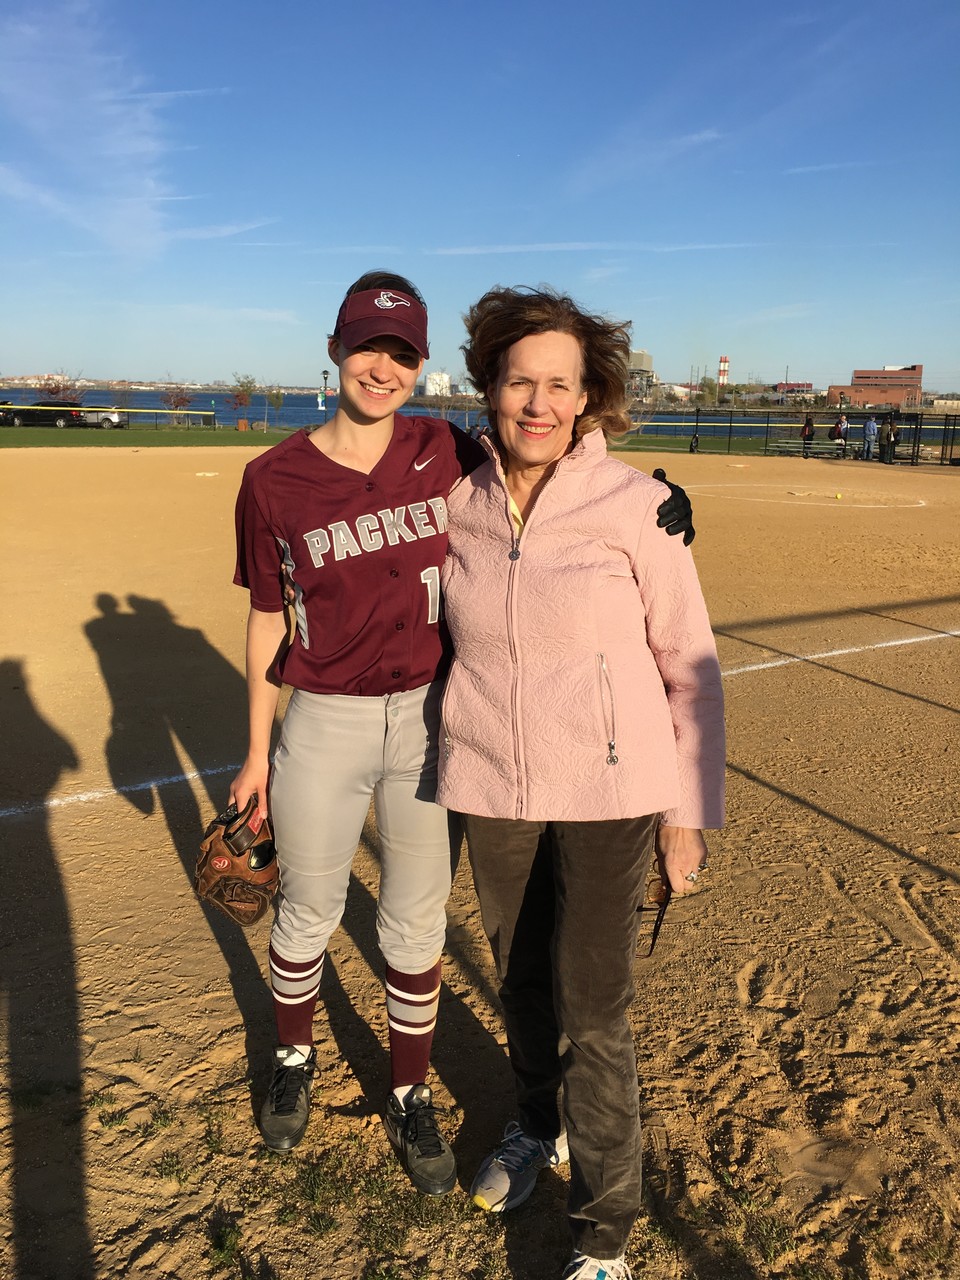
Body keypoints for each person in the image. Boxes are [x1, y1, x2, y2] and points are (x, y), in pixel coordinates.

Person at [229, 271, 696, 1195]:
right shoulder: (271, 478)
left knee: (412, 919)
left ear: (421, 366)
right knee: (308, 907)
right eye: (369, 346)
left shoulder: (443, 447)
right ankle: (293, 1059)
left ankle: (409, 1094)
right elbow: (263, 617)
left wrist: (666, 502)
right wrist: (254, 750)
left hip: (431, 720)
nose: (384, 366)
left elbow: (555, 461)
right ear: (335, 347)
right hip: (323, 717)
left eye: (402, 353)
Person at [435, 286, 725, 1279]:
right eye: (521, 380)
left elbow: (691, 661)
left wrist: (688, 817)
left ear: (589, 395)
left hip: (613, 792)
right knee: (519, 980)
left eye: (560, 382)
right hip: (493, 781)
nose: (539, 401)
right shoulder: (452, 500)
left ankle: (605, 1233)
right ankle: (535, 1122)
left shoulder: (641, 505)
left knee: (593, 1007)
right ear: (491, 387)